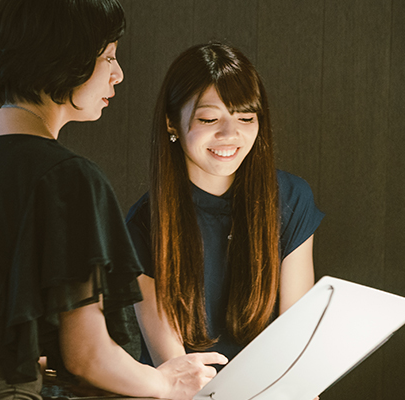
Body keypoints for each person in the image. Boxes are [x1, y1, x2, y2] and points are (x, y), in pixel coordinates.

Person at [0, 1, 226, 399]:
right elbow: (88, 355)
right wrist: (166, 382)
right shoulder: (68, 177)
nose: (117, 75)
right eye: (108, 57)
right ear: (65, 59)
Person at [127, 42, 324, 369]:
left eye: (246, 117)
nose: (230, 134)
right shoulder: (145, 222)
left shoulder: (290, 198)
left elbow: (294, 338)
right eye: (208, 119)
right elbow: (176, 369)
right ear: (171, 123)